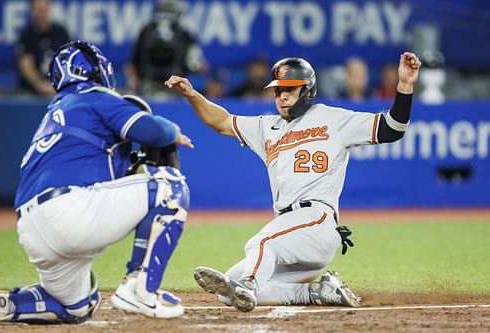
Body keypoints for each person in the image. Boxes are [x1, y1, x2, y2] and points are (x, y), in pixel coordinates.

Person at [165, 52, 421, 312]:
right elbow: (220, 121)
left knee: (260, 244)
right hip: (289, 235)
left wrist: (405, 86)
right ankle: (318, 292)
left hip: (316, 222)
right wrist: (192, 94)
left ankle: (250, 283)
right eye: (277, 91)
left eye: (289, 89)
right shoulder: (267, 127)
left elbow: (393, 128)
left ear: (307, 90)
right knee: (228, 290)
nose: (282, 96)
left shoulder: (334, 118)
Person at [0, 40, 193, 324]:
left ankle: (0, 305)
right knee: (170, 187)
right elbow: (153, 130)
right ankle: (139, 289)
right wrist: (174, 132)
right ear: (95, 69)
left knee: (75, 306)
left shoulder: (54, 114)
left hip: (31, 229)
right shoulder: (93, 95)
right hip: (68, 213)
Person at [126, 0, 207, 98]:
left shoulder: (147, 31)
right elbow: (196, 65)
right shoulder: (182, 33)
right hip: (158, 86)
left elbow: (132, 63)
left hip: (165, 87)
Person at [16, 0, 70, 96]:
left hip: (59, 88)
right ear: (32, 10)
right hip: (32, 91)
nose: (41, 14)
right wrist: (40, 85)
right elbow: (26, 65)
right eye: (38, 10)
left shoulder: (60, 33)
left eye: (44, 9)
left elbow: (68, 61)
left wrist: (58, 85)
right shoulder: (27, 35)